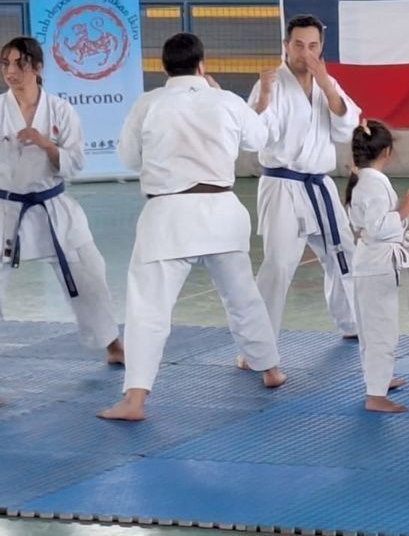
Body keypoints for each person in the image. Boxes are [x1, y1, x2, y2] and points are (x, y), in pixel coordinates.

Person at [100, 33, 285, 422]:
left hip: (168, 217)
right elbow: (260, 137)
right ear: (202, 64)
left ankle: (135, 400)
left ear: (164, 68)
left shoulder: (149, 103)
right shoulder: (226, 101)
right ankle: (270, 369)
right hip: (221, 212)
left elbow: (129, 157)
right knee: (243, 297)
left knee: (148, 309)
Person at [0, 36, 123, 366]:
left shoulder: (61, 110)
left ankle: (112, 343)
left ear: (38, 68)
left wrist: (45, 144)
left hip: (53, 207)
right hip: (7, 210)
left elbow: (77, 160)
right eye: (6, 64)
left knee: (89, 271)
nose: (11, 71)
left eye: (19, 64)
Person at [246, 14, 362, 359]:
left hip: (320, 186)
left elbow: (347, 126)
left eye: (312, 46)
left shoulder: (328, 82)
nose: (305, 53)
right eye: (298, 45)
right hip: (282, 186)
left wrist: (326, 85)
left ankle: (353, 323)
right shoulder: (272, 83)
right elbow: (256, 134)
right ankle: (257, 346)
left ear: (321, 48)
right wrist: (264, 96)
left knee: (343, 254)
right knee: (279, 265)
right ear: (286, 46)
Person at [345, 119, 409, 413]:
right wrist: (404, 209)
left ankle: (378, 380)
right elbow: (380, 227)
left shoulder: (363, 181)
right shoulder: (372, 184)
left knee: (371, 329)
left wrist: (408, 210)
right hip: (377, 263)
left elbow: (369, 224)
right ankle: (375, 395)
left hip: (370, 260)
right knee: (381, 330)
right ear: (387, 152)